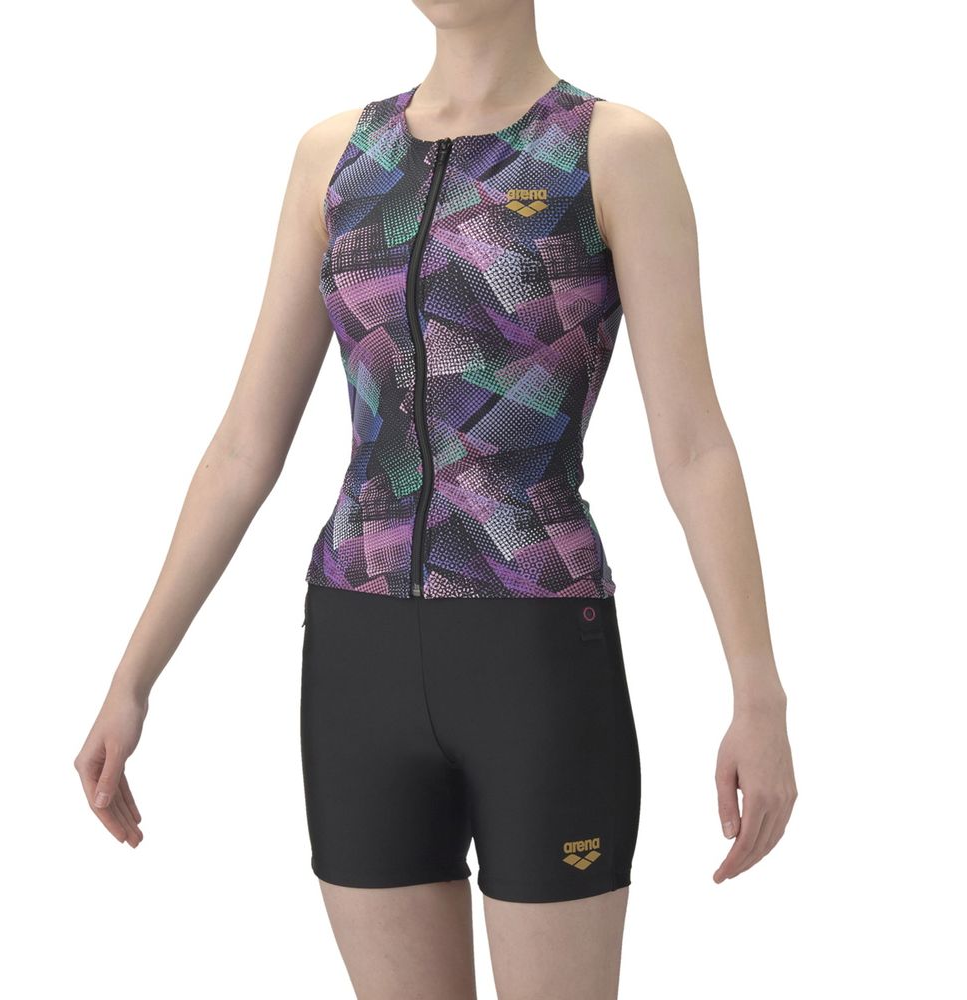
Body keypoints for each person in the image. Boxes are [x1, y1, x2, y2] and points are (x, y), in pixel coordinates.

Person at [74, 1, 798, 997]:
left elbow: (694, 446)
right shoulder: (336, 156)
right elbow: (243, 447)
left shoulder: (609, 150)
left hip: (534, 653)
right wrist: (132, 678)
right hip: (356, 653)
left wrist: (758, 695)